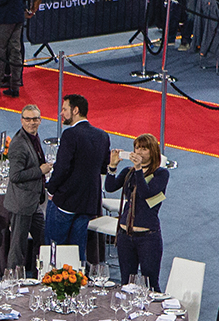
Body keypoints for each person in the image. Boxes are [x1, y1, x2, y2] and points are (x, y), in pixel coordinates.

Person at [43, 93, 111, 253]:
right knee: (77, 251)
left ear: (75, 110)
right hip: (88, 203)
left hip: (66, 202)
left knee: (55, 250)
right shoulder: (102, 135)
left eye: (64, 109)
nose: (61, 113)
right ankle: (76, 277)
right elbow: (103, 168)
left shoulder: (70, 134)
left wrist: (50, 189)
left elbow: (62, 168)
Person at [106, 134, 169, 289]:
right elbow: (110, 187)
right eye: (137, 147)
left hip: (147, 237)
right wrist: (112, 167)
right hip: (125, 235)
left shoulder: (161, 174)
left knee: (150, 283)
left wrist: (139, 169)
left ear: (152, 151)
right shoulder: (129, 171)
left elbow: (145, 193)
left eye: (144, 148)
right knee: (126, 283)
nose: (139, 151)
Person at [5, 105, 47, 277]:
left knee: (43, 239)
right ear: (22, 120)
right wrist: (40, 171)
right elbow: (15, 175)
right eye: (28, 119)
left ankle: (42, 275)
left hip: (33, 201)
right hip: (21, 203)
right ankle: (11, 281)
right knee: (18, 248)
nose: (32, 122)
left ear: (40, 120)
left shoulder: (33, 138)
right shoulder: (19, 144)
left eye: (35, 119)